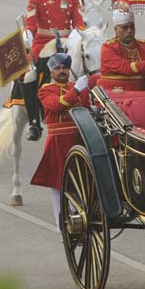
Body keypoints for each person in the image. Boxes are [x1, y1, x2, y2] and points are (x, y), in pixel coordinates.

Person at [22, 0, 85, 141]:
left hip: (66, 40)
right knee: (29, 74)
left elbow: (79, 22)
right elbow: (31, 21)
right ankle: (34, 122)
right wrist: (28, 34)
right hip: (43, 41)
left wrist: (76, 32)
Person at [30, 52, 89, 231]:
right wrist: (77, 90)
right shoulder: (46, 89)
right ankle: (62, 228)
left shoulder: (78, 86)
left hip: (79, 141)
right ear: (51, 71)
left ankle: (82, 221)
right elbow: (56, 105)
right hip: (57, 144)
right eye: (58, 68)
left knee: (81, 185)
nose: (62, 71)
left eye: (65, 67)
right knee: (58, 187)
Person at [99, 9, 145, 92]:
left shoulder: (144, 46)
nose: (129, 30)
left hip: (141, 95)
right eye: (125, 27)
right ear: (116, 29)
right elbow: (127, 68)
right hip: (114, 96)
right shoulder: (108, 48)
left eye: (132, 26)